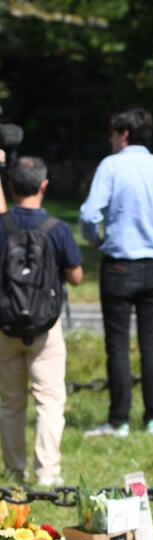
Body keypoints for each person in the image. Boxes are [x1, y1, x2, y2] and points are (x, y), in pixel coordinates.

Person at [80, 107, 153, 438]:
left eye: (113, 133)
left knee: (117, 345)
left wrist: (95, 240)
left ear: (124, 134)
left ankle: (118, 420)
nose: (110, 139)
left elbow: (89, 214)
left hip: (118, 264)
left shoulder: (111, 166)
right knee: (151, 344)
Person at [0, 156, 83, 486]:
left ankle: (13, 469)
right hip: (46, 327)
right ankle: (48, 473)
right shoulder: (57, 229)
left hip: (5, 326)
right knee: (49, 401)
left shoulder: (2, 227)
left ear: (10, 186)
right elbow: (75, 277)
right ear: (44, 186)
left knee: (10, 402)